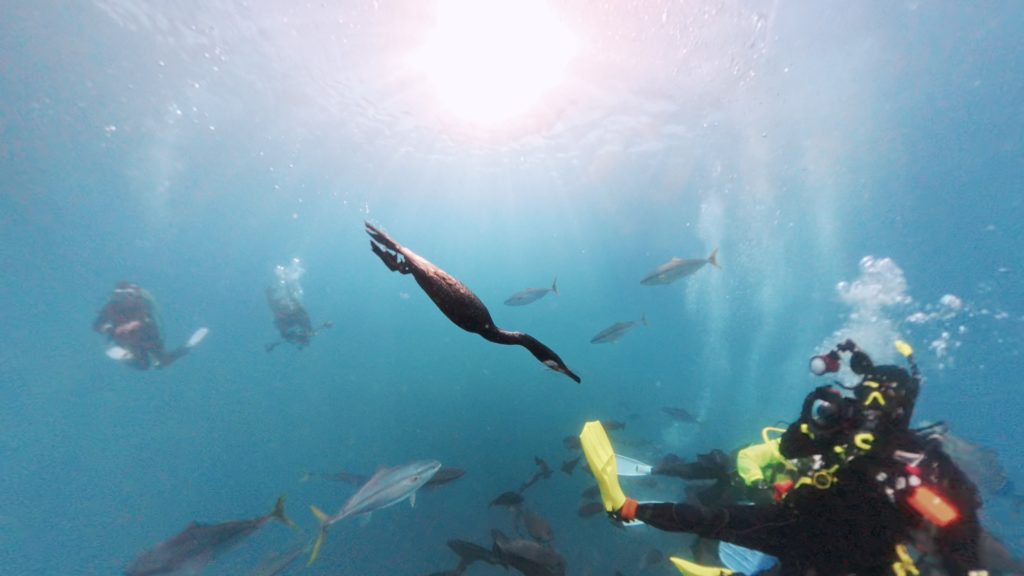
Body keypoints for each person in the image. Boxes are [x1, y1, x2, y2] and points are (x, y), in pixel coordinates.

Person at [580, 340, 989, 576]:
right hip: (803, 524)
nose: (873, 407)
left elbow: (959, 526)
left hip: (847, 553)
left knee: (721, 522)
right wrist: (814, 418)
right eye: (870, 395)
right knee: (715, 518)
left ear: (903, 405)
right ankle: (629, 507)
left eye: (884, 398)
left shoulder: (923, 459)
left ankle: (635, 509)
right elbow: (792, 448)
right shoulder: (845, 429)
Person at [93, 281, 207, 370]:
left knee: (162, 362)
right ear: (115, 295)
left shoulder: (141, 303)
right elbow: (97, 325)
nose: (124, 299)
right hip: (126, 339)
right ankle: (127, 356)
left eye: (127, 295)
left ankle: (188, 346)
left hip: (148, 336)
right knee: (143, 365)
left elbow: (145, 318)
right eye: (119, 295)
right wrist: (109, 328)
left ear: (133, 294)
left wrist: (132, 325)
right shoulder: (111, 307)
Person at [265, 259, 331, 352]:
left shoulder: (291, 327)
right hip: (290, 311)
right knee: (291, 297)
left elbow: (282, 325)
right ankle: (288, 275)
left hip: (285, 313)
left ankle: (286, 276)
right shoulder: (303, 322)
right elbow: (301, 314)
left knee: (283, 300)